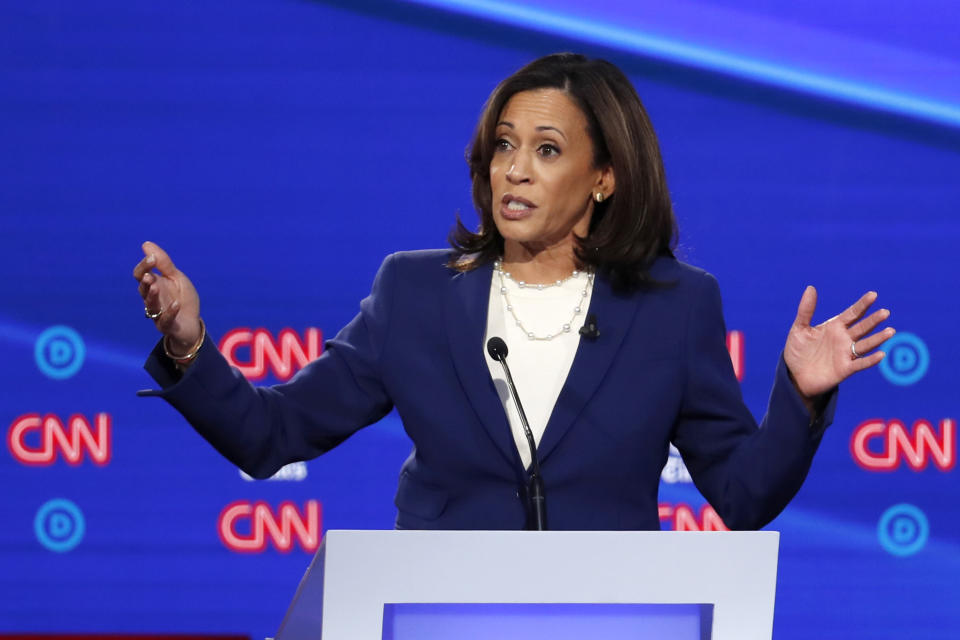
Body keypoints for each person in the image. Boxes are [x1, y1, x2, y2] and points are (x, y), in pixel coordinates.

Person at [133, 53, 894, 531]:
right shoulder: (414, 292)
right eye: (504, 145)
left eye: (547, 150)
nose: (515, 169)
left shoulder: (675, 307)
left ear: (605, 178)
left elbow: (743, 496)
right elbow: (273, 438)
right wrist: (188, 345)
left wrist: (800, 394)